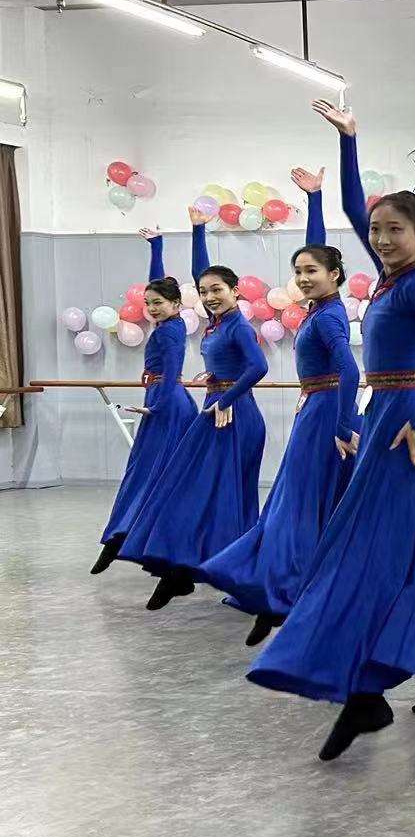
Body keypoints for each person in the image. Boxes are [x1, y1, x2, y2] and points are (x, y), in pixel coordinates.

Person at [249, 100, 415, 761]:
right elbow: (350, 203)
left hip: (402, 424)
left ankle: (368, 686)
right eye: (378, 230)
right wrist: (348, 142)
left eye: (397, 230)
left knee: (373, 547)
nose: (385, 238)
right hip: (384, 416)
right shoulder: (391, 281)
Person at [198, 171, 359, 646]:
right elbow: (318, 250)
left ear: (335, 275)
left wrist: (343, 425)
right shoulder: (318, 308)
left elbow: (350, 371)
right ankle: (295, 585)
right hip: (317, 409)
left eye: (312, 271)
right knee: (303, 500)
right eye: (298, 271)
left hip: (325, 414)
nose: (303, 277)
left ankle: (285, 589)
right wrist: (315, 200)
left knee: (298, 502)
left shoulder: (329, 316)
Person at [115, 220, 268, 612]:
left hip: (234, 416)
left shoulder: (237, 327)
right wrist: (196, 231)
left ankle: (205, 573)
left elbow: (259, 368)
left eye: (218, 290)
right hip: (217, 408)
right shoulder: (216, 324)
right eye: (203, 291)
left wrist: (226, 397)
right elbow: (201, 273)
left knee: (217, 495)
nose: (209, 296)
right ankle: (193, 568)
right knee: (197, 491)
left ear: (236, 291)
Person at [91, 225, 198, 575]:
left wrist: (157, 407)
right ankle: (123, 537)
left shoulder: (172, 331)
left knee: (148, 474)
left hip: (168, 404)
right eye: (148, 303)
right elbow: (158, 283)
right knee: (145, 473)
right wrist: (156, 246)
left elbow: (173, 370)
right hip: (162, 400)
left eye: (158, 304)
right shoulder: (166, 323)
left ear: (176, 305)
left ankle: (122, 539)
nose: (151, 309)